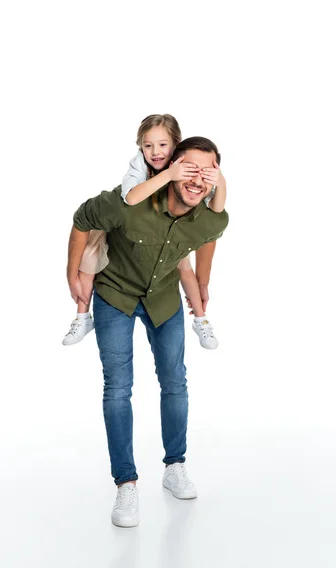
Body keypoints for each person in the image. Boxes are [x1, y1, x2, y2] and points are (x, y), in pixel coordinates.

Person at [66, 136, 229, 527]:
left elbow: (208, 240)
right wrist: (70, 273)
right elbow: (82, 218)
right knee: (118, 386)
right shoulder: (130, 203)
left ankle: (175, 465)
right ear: (171, 166)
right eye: (189, 168)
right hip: (115, 295)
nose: (197, 179)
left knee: (175, 381)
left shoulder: (210, 216)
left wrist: (202, 287)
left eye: (207, 171)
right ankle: (126, 482)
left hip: (162, 300)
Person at [62, 114, 227, 349]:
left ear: (176, 146)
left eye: (163, 145)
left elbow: (214, 217)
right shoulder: (141, 166)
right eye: (148, 146)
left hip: (166, 242)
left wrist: (221, 182)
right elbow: (130, 199)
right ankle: (82, 316)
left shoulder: (189, 172)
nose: (155, 152)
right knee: (89, 260)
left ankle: (201, 320)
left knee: (184, 267)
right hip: (114, 234)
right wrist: (169, 175)